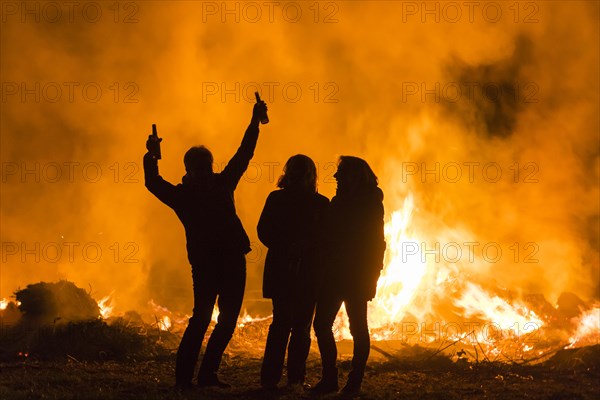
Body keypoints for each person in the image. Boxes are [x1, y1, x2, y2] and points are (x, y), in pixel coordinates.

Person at [143, 100, 268, 390]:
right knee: (210, 319)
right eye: (200, 166)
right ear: (192, 168)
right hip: (219, 261)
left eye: (204, 166)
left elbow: (153, 181)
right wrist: (253, 124)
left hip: (218, 260)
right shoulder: (212, 186)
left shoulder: (189, 193)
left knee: (212, 319)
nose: (203, 171)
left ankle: (197, 376)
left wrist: (151, 155)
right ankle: (195, 376)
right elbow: (244, 154)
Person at [311, 156, 386, 396]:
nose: (336, 176)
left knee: (357, 329)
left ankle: (354, 381)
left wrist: (372, 276)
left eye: (341, 172)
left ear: (355, 176)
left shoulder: (370, 203)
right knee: (322, 324)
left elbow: (376, 243)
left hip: (355, 275)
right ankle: (330, 379)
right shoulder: (339, 201)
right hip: (334, 274)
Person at [258, 155, 329, 390]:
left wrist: (298, 247)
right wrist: (289, 246)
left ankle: (281, 378)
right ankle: (288, 378)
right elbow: (264, 231)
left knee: (289, 326)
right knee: (292, 326)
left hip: (302, 273)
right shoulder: (317, 203)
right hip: (292, 272)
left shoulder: (316, 203)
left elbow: (264, 231)